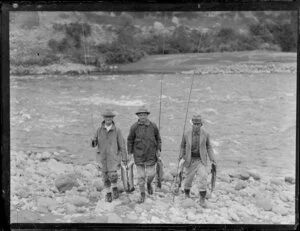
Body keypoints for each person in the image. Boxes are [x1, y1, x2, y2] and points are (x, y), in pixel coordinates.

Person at [179, 114, 217, 207]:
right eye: (195, 124)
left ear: (201, 124)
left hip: (201, 160)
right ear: (192, 124)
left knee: (203, 177)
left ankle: (202, 199)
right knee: (188, 179)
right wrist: (181, 156)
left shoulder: (206, 133)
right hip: (190, 159)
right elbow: (182, 146)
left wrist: (212, 159)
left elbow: (208, 147)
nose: (196, 126)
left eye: (198, 124)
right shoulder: (186, 133)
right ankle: (187, 195)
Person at [127, 106, 162, 203]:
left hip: (151, 155)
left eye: (144, 114)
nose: (142, 116)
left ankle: (149, 183)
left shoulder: (153, 126)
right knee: (141, 176)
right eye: (140, 114)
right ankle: (142, 193)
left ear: (147, 115)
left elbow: (158, 138)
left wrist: (158, 149)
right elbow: (130, 140)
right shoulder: (134, 127)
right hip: (139, 155)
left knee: (151, 174)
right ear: (138, 116)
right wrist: (129, 153)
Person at [91, 108, 127, 202]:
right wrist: (93, 141)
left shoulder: (117, 131)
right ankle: (108, 193)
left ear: (112, 118)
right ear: (103, 118)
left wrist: (124, 158)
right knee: (105, 177)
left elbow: (122, 145)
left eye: (110, 117)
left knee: (113, 175)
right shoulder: (98, 130)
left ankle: (114, 187)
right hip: (102, 157)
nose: (108, 119)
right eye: (106, 117)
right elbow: (93, 145)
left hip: (113, 157)